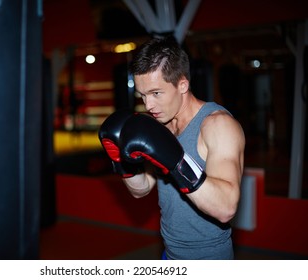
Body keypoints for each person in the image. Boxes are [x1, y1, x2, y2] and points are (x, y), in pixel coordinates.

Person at [98, 36, 245, 260]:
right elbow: (142, 189)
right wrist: (121, 163)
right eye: (143, 95)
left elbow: (226, 209)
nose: (148, 105)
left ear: (182, 84)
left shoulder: (218, 125)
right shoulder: (159, 125)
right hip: (169, 255)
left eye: (156, 93)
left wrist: (178, 162)